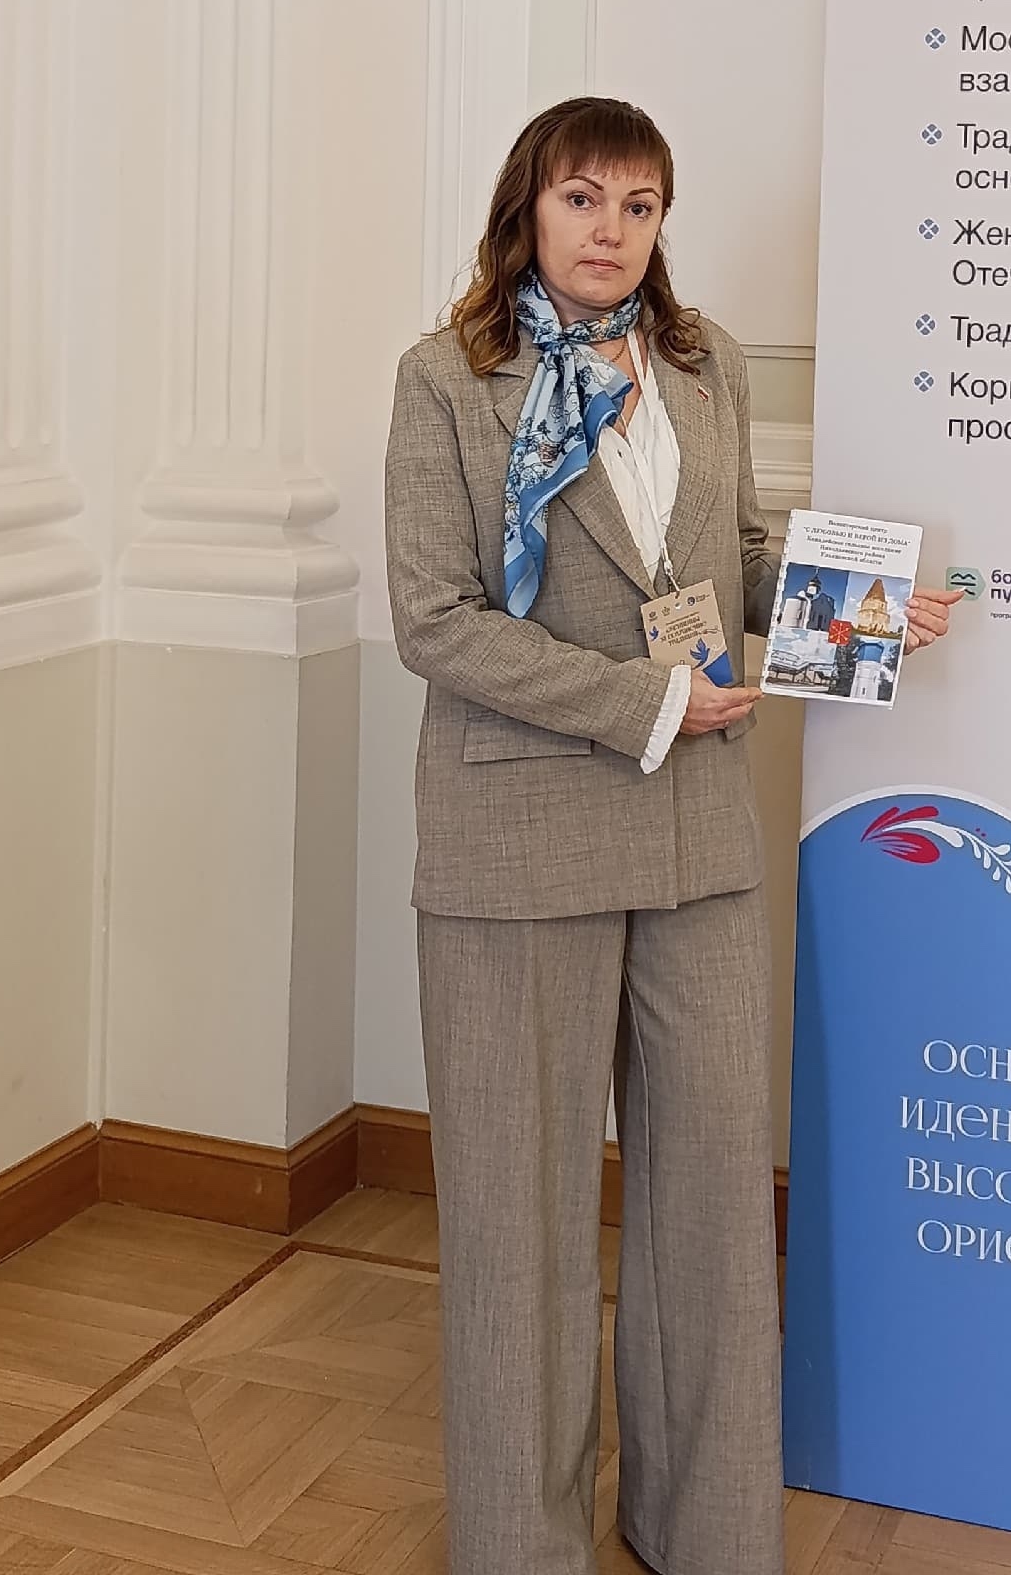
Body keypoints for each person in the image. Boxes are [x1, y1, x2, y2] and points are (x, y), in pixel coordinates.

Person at [384, 96, 958, 1575]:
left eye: (638, 206)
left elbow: (738, 559)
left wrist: (870, 611)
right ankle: (521, 1547)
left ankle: (705, 1530)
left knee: (708, 1204)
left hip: (697, 837)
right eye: (584, 199)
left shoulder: (705, 366)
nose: (611, 231)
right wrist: (644, 702)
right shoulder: (448, 379)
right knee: (519, 1225)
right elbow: (435, 621)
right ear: (528, 208)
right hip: (519, 840)